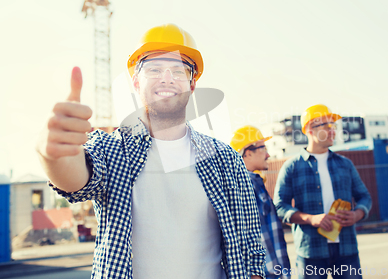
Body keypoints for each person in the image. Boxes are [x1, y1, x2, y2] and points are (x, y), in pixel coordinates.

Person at [36, 24, 265, 279]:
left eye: (179, 70)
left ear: (192, 84)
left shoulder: (225, 159)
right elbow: (77, 178)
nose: (167, 78)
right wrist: (53, 154)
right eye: (154, 69)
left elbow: (250, 250)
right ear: (135, 81)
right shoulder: (113, 149)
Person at [273, 104, 372, 279]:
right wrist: (310, 219)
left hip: (346, 248)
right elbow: (280, 206)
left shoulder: (345, 164)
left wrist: (357, 214)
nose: (332, 131)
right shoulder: (292, 167)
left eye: (333, 126)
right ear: (310, 129)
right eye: (326, 126)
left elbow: (364, 197)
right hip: (311, 251)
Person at [231, 126, 291, 279]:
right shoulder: (242, 187)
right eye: (263, 148)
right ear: (248, 153)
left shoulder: (254, 183)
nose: (268, 154)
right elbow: (244, 236)